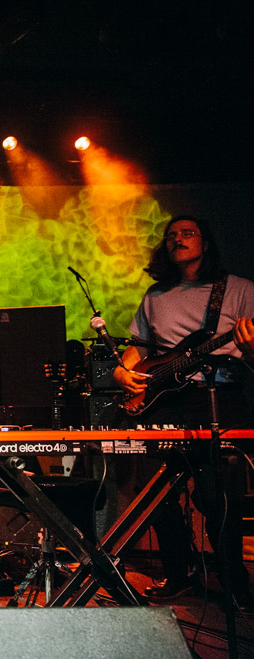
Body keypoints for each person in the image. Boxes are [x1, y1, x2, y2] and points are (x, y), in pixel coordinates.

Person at [113, 215, 254, 609]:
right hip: (165, 400)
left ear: (205, 243)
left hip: (217, 397)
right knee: (158, 494)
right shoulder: (155, 296)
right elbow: (139, 348)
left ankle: (233, 584)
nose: (178, 239)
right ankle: (178, 576)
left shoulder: (241, 290)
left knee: (217, 496)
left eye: (187, 233)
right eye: (172, 235)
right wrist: (125, 372)